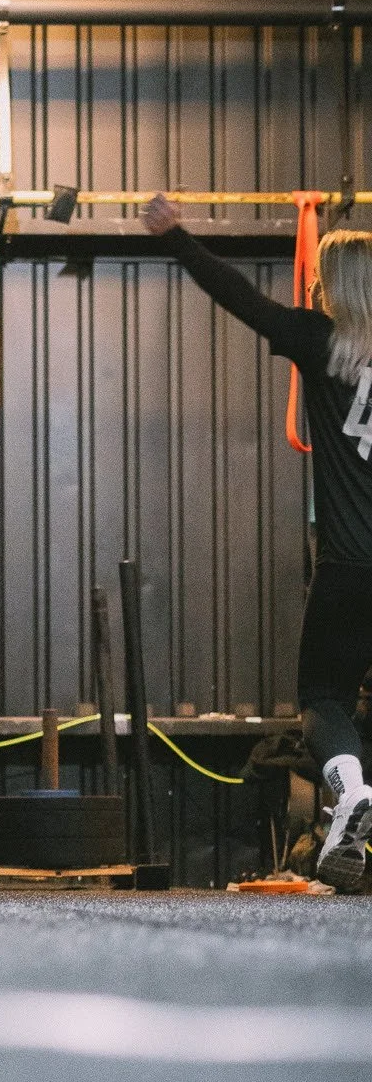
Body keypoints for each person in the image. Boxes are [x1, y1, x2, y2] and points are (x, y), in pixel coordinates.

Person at [144, 193, 372, 891]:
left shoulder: (320, 341)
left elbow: (239, 298)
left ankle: (352, 789)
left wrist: (179, 239)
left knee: (324, 698)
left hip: (348, 567)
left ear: (333, 287)